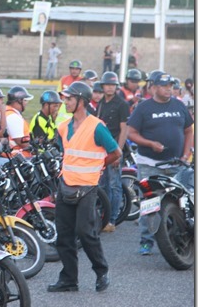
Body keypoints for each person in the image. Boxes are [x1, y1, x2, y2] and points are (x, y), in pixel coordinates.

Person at [48, 81, 121, 293]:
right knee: (63, 234)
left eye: (69, 98)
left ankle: (101, 272)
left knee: (85, 232)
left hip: (88, 187)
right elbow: (65, 154)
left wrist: (98, 166)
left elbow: (116, 153)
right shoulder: (63, 127)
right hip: (66, 184)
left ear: (82, 101)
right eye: (65, 98)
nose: (65, 102)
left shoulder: (96, 126)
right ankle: (69, 279)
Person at [126, 71, 194, 255]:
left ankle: (181, 237)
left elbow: (189, 130)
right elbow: (131, 133)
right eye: (164, 86)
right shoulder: (144, 108)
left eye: (170, 85)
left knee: (183, 201)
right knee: (150, 203)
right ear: (153, 87)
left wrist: (186, 153)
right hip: (149, 164)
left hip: (176, 164)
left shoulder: (179, 106)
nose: (168, 89)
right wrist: (150, 144)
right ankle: (146, 241)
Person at [96, 72, 130, 233]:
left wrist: (119, 151)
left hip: (114, 149)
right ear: (102, 86)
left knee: (114, 185)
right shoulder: (101, 103)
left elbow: (124, 129)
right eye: (107, 84)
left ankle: (112, 220)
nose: (109, 87)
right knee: (102, 185)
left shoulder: (122, 104)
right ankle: (103, 217)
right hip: (101, 151)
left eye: (112, 84)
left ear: (116, 87)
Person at [4, 86, 34, 156]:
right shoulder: (13, 117)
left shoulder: (7, 112)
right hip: (19, 157)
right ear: (19, 100)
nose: (26, 103)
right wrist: (35, 149)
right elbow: (21, 142)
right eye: (25, 100)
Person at [55, 60, 83, 126]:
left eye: (76, 69)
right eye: (72, 68)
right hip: (64, 108)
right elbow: (58, 95)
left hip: (77, 108)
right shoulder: (63, 79)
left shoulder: (82, 80)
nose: (74, 71)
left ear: (80, 70)